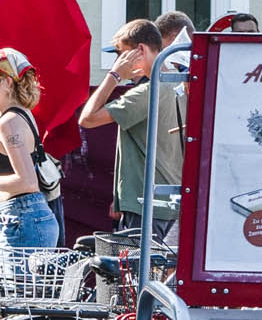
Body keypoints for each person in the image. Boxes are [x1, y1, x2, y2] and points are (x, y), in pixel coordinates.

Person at [78, 18, 184, 237]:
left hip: (146, 203)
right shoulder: (175, 83)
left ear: (140, 50)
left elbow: (87, 119)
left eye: (121, 54)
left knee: (137, 270)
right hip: (163, 202)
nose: (118, 61)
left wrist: (114, 76)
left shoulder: (148, 91)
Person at [0, 48, 60, 251]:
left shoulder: (10, 121)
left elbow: (27, 181)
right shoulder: (18, 115)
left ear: (6, 81)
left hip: (22, 221)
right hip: (19, 219)